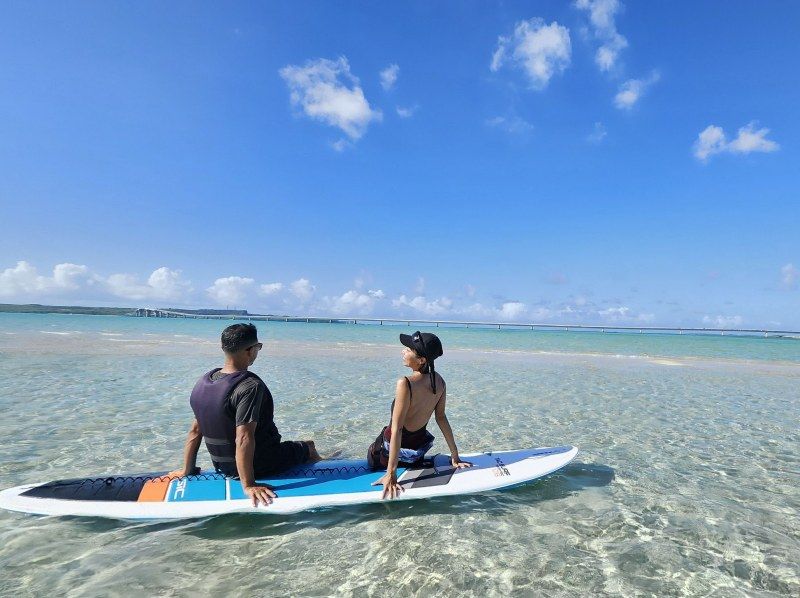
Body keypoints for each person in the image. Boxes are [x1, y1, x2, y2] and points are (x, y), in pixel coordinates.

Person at [171, 323, 322, 506]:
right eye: (258, 347)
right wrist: (249, 485)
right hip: (260, 465)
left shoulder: (204, 383)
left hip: (222, 467)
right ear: (250, 351)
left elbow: (195, 430)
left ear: (224, 348)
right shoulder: (250, 386)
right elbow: (243, 437)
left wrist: (186, 470)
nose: (257, 351)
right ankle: (327, 465)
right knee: (308, 446)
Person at [369, 331, 472, 499]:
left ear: (422, 360)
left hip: (384, 456)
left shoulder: (405, 383)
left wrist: (391, 474)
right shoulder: (439, 382)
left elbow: (397, 430)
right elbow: (441, 418)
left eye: (408, 349)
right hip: (416, 455)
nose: (403, 351)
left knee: (374, 449)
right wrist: (455, 456)